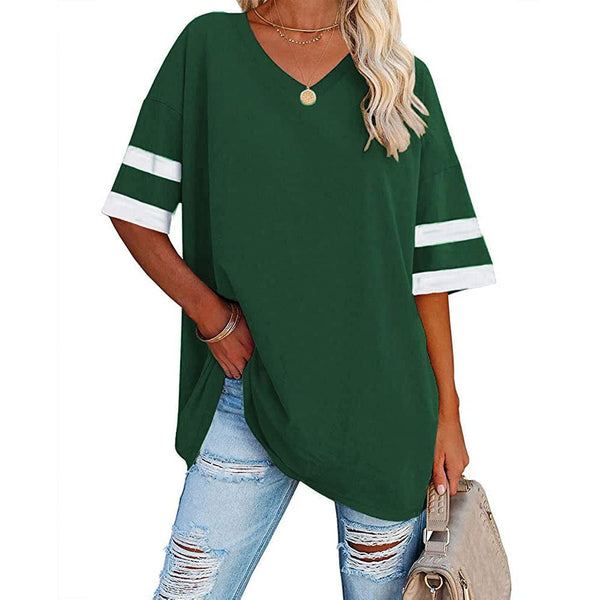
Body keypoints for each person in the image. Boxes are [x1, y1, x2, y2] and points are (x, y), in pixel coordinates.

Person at [101, 1, 495, 598]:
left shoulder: (398, 77)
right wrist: (211, 316)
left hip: (385, 411)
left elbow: (428, 272)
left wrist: (448, 412)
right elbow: (134, 211)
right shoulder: (208, 48)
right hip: (248, 392)